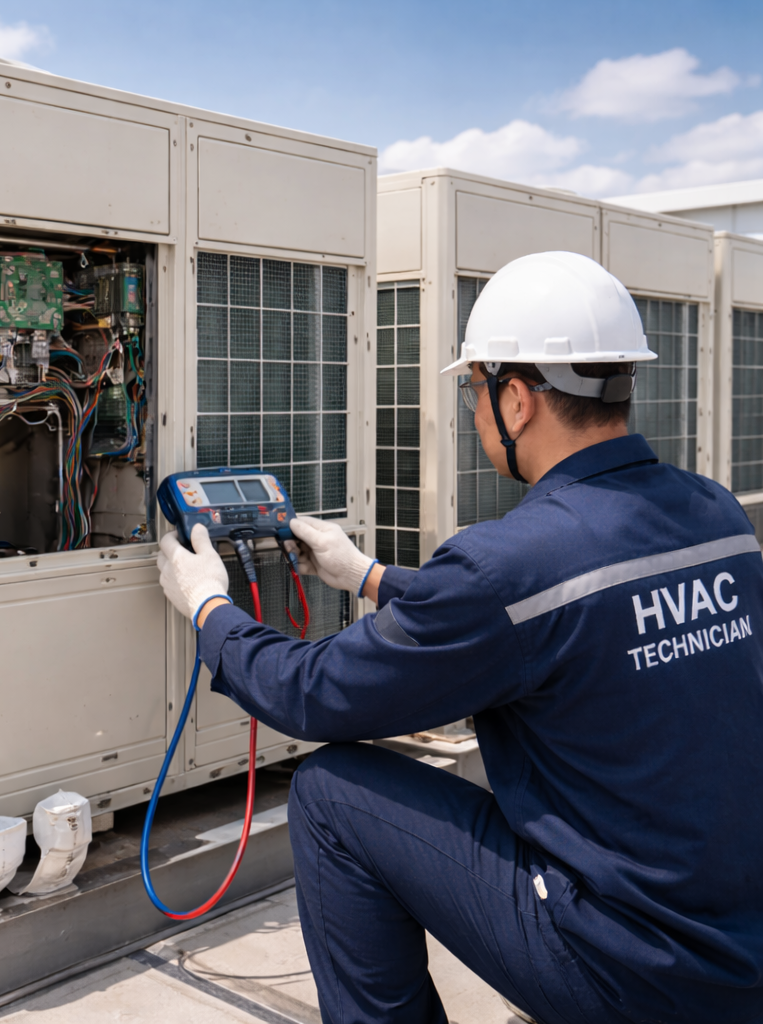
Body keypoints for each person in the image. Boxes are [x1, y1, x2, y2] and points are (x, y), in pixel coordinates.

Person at [156, 251, 763, 1024]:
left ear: (517, 400)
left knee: (331, 794)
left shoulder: (512, 561)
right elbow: (563, 618)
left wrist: (209, 606)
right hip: (740, 952)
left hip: (631, 973)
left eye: (474, 389)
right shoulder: (715, 515)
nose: (474, 413)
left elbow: (314, 694)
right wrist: (369, 576)